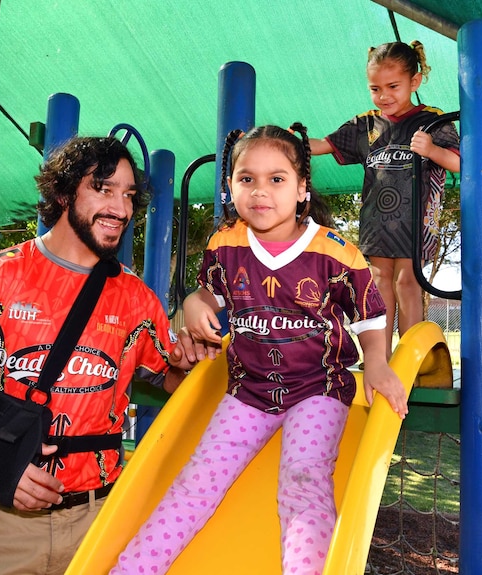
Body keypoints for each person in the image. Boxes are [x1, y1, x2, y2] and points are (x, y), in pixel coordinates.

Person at [110, 123, 408, 575]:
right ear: (229, 187)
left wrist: (380, 364)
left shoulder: (334, 252)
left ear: (302, 188)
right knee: (197, 480)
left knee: (303, 480)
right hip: (248, 391)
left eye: (277, 179)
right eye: (246, 178)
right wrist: (194, 302)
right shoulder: (225, 244)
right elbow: (210, 294)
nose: (260, 191)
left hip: (318, 388)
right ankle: (132, 569)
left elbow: (370, 313)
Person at [0, 136, 196, 575]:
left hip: (101, 521)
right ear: (62, 193)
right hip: (3, 523)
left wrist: (191, 361)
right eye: (103, 188)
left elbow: (168, 378)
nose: (120, 208)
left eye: (129, 195)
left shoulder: (135, 297)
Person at [310, 40, 460, 358]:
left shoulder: (432, 121)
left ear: (414, 82)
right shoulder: (367, 124)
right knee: (378, 284)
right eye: (375, 88)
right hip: (378, 222)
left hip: (415, 221)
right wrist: (284, 141)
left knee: (407, 282)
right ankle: (380, 357)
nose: (384, 96)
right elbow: (323, 144)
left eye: (393, 86)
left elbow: (463, 163)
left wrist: (432, 150)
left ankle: (411, 359)